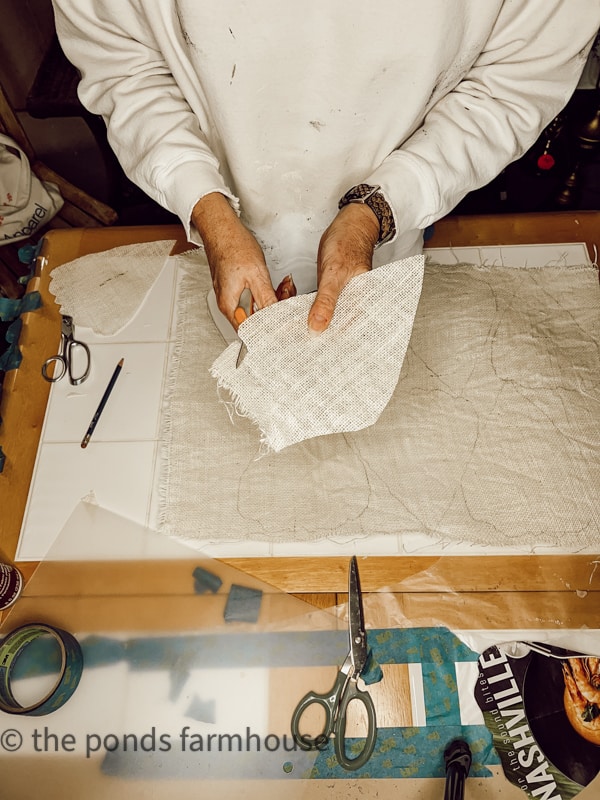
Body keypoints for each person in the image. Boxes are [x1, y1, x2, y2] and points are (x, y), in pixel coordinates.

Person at [51, 1, 599, 334]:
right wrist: (208, 210)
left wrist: (380, 209)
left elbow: (512, 79)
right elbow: (125, 67)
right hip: (217, 214)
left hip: (399, 214)